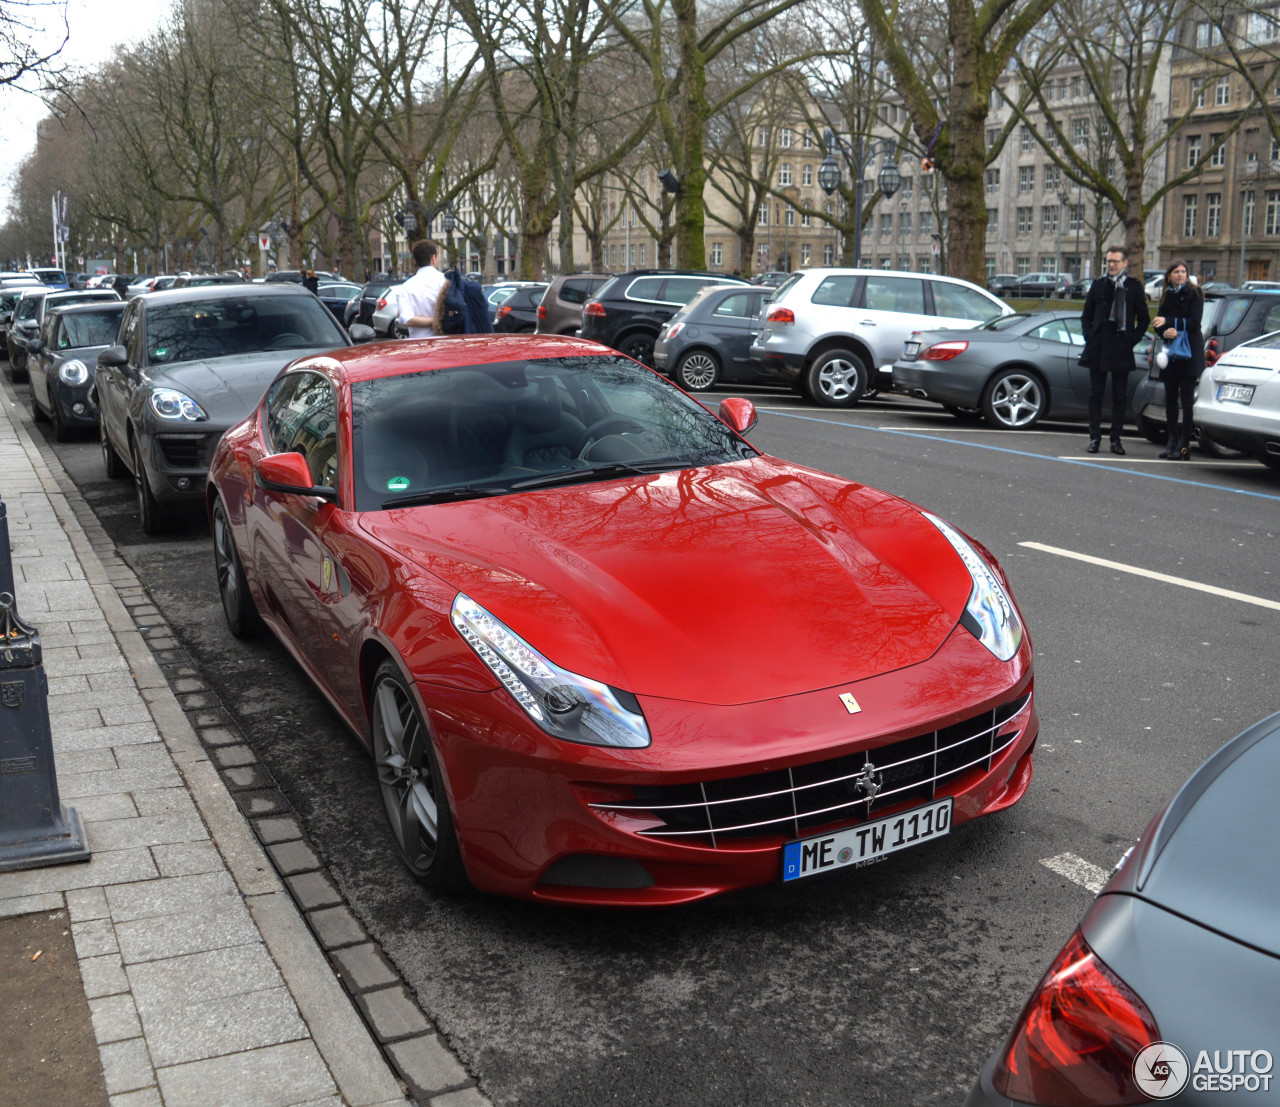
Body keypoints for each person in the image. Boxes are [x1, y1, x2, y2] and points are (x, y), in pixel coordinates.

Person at [1080, 244, 1150, 454]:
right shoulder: (1098, 285)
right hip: (1098, 346)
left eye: (1115, 261)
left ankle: (1116, 440)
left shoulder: (1134, 287)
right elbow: (1086, 315)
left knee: (1119, 396)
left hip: (1121, 348)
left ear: (1125, 263)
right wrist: (1089, 336)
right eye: (1108, 261)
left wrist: (1131, 340)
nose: (1111, 265)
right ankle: (1094, 438)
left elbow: (1145, 319)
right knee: (1095, 394)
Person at [1151, 260, 1203, 461]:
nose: (1180, 275)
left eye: (1183, 272)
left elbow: (1194, 322)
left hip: (1189, 353)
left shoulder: (1195, 293)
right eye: (1176, 272)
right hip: (1171, 354)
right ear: (1169, 275)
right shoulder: (1167, 295)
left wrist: (1171, 323)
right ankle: (1172, 441)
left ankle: (1184, 444)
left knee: (1187, 401)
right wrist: (1166, 331)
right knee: (1170, 400)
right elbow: (1157, 324)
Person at [389, 240, 445, 339]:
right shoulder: (446, 281)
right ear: (433, 258)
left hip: (418, 344)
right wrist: (440, 321)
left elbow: (407, 319)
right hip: (444, 342)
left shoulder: (405, 288)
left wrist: (433, 321)